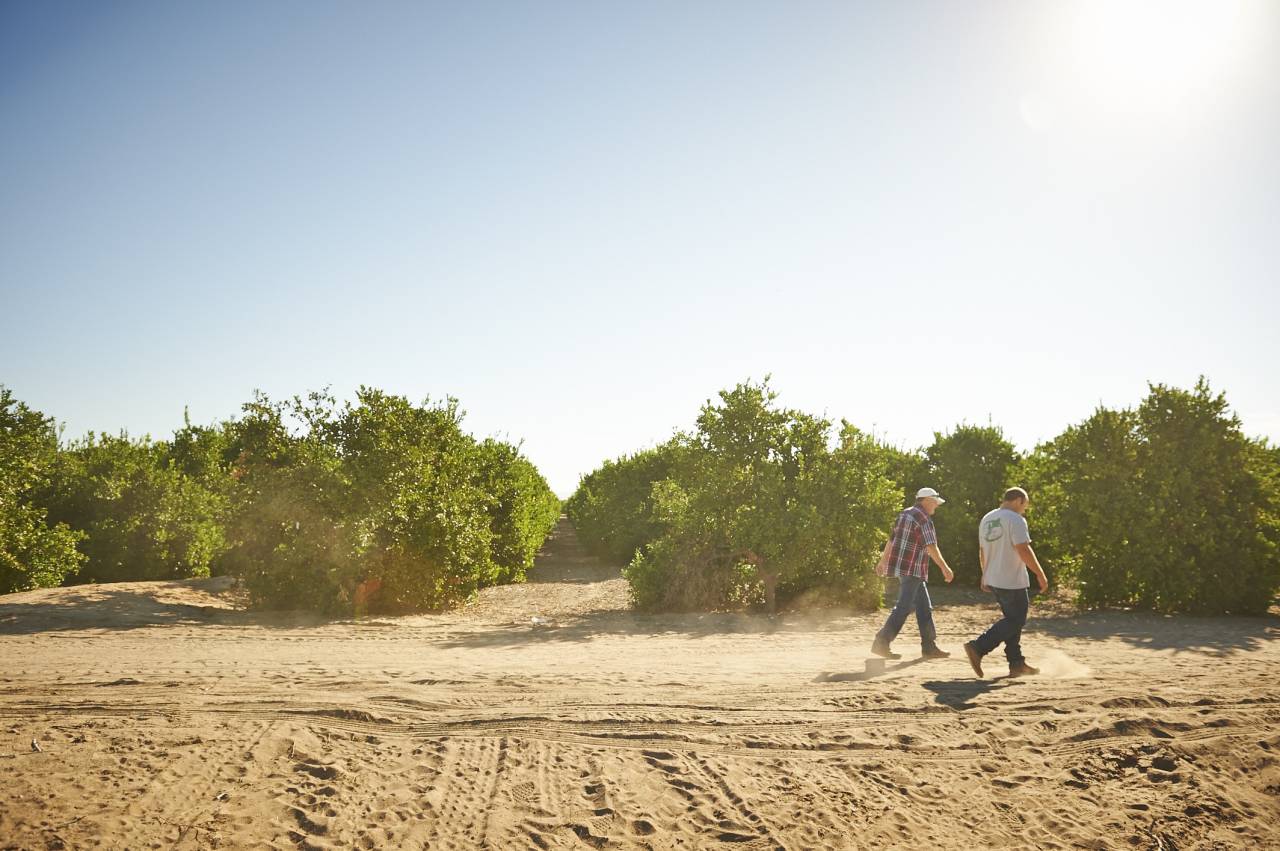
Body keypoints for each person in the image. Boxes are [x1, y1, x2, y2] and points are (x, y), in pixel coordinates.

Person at [963, 487, 1049, 678]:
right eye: (1024, 506)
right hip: (1011, 579)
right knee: (1015, 620)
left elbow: (982, 550)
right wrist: (1040, 574)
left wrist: (984, 574)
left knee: (1013, 620)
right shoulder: (1015, 519)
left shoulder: (987, 518)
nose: (1024, 510)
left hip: (994, 578)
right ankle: (978, 647)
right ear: (1018, 500)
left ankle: (1017, 663)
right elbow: (1023, 549)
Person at [870, 487, 955, 660]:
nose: (936, 507)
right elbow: (931, 546)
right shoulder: (922, 517)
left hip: (904, 568)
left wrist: (883, 561)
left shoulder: (904, 514)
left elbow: (891, 540)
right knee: (904, 606)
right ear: (927, 500)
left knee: (924, 608)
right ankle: (881, 641)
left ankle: (929, 647)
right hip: (913, 568)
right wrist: (945, 568)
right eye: (935, 503)